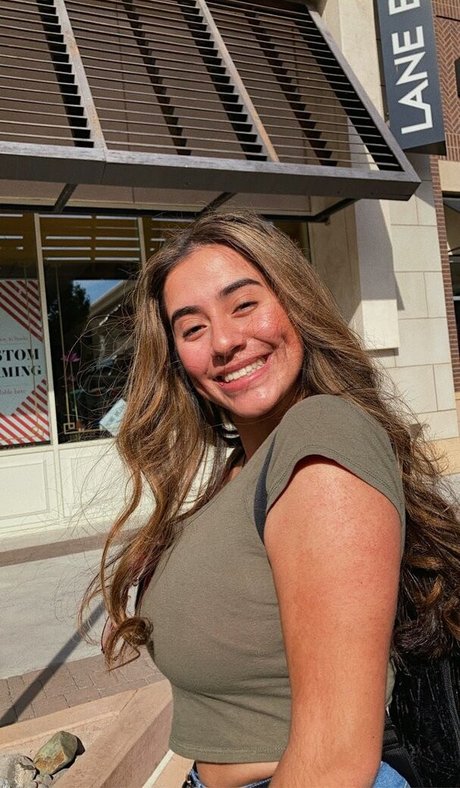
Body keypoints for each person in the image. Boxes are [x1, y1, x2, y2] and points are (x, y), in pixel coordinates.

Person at [84, 213, 460, 787]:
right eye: (192, 328)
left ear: (295, 304)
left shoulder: (321, 434)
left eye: (244, 305)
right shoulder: (243, 468)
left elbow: (335, 761)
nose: (224, 342)